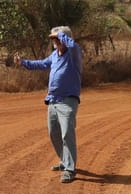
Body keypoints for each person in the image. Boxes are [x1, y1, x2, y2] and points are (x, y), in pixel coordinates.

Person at [14, 26, 82, 183]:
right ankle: (64, 161)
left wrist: (60, 34)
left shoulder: (73, 54)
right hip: (53, 100)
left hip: (67, 100)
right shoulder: (54, 55)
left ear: (64, 38)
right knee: (54, 133)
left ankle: (70, 169)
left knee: (67, 134)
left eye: (57, 38)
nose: (54, 41)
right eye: (53, 39)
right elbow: (41, 64)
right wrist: (22, 62)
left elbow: (72, 44)